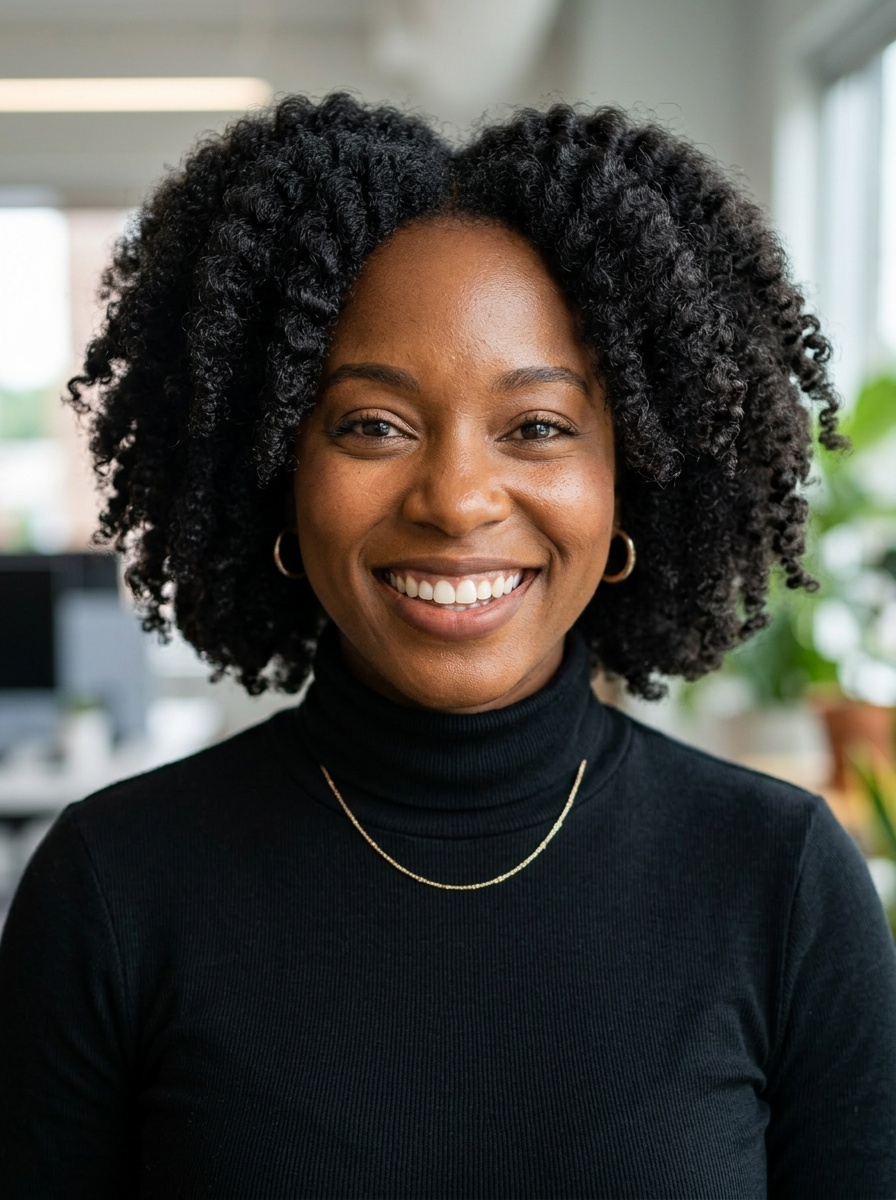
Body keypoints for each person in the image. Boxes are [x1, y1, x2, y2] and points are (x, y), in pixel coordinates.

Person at [0, 93, 893, 1199]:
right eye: (372, 424)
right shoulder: (113, 888)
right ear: (278, 466)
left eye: (537, 427)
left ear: (630, 482)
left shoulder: (780, 881)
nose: (458, 499)